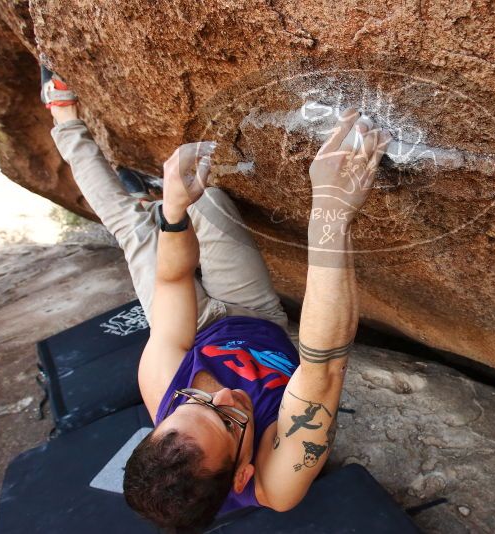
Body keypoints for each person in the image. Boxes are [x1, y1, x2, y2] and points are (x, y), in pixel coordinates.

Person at [41, 64, 390, 530]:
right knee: (173, 216)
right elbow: (322, 367)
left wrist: (173, 214)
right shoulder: (277, 481)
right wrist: (329, 212)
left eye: (193, 402)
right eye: (228, 419)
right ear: (243, 471)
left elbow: (171, 282)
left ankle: (113, 163)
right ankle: (101, 149)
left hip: (199, 326)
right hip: (258, 319)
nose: (221, 393)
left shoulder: (164, 383)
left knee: (171, 214)